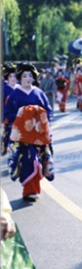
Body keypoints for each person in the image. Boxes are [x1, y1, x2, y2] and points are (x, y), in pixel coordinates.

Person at [4, 62, 54, 202]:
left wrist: (44, 121)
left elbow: (48, 110)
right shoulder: (15, 94)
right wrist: (23, 115)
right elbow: (8, 112)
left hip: (38, 134)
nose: (27, 78)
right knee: (27, 161)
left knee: (40, 160)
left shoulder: (39, 92)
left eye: (30, 75)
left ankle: (34, 188)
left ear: (34, 78)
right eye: (24, 76)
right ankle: (28, 190)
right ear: (20, 78)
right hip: (23, 136)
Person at [2, 63, 19, 156]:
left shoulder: (20, 89)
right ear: (7, 78)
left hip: (21, 119)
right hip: (8, 120)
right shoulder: (4, 90)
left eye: (15, 76)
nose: (13, 78)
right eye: (10, 76)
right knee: (9, 140)